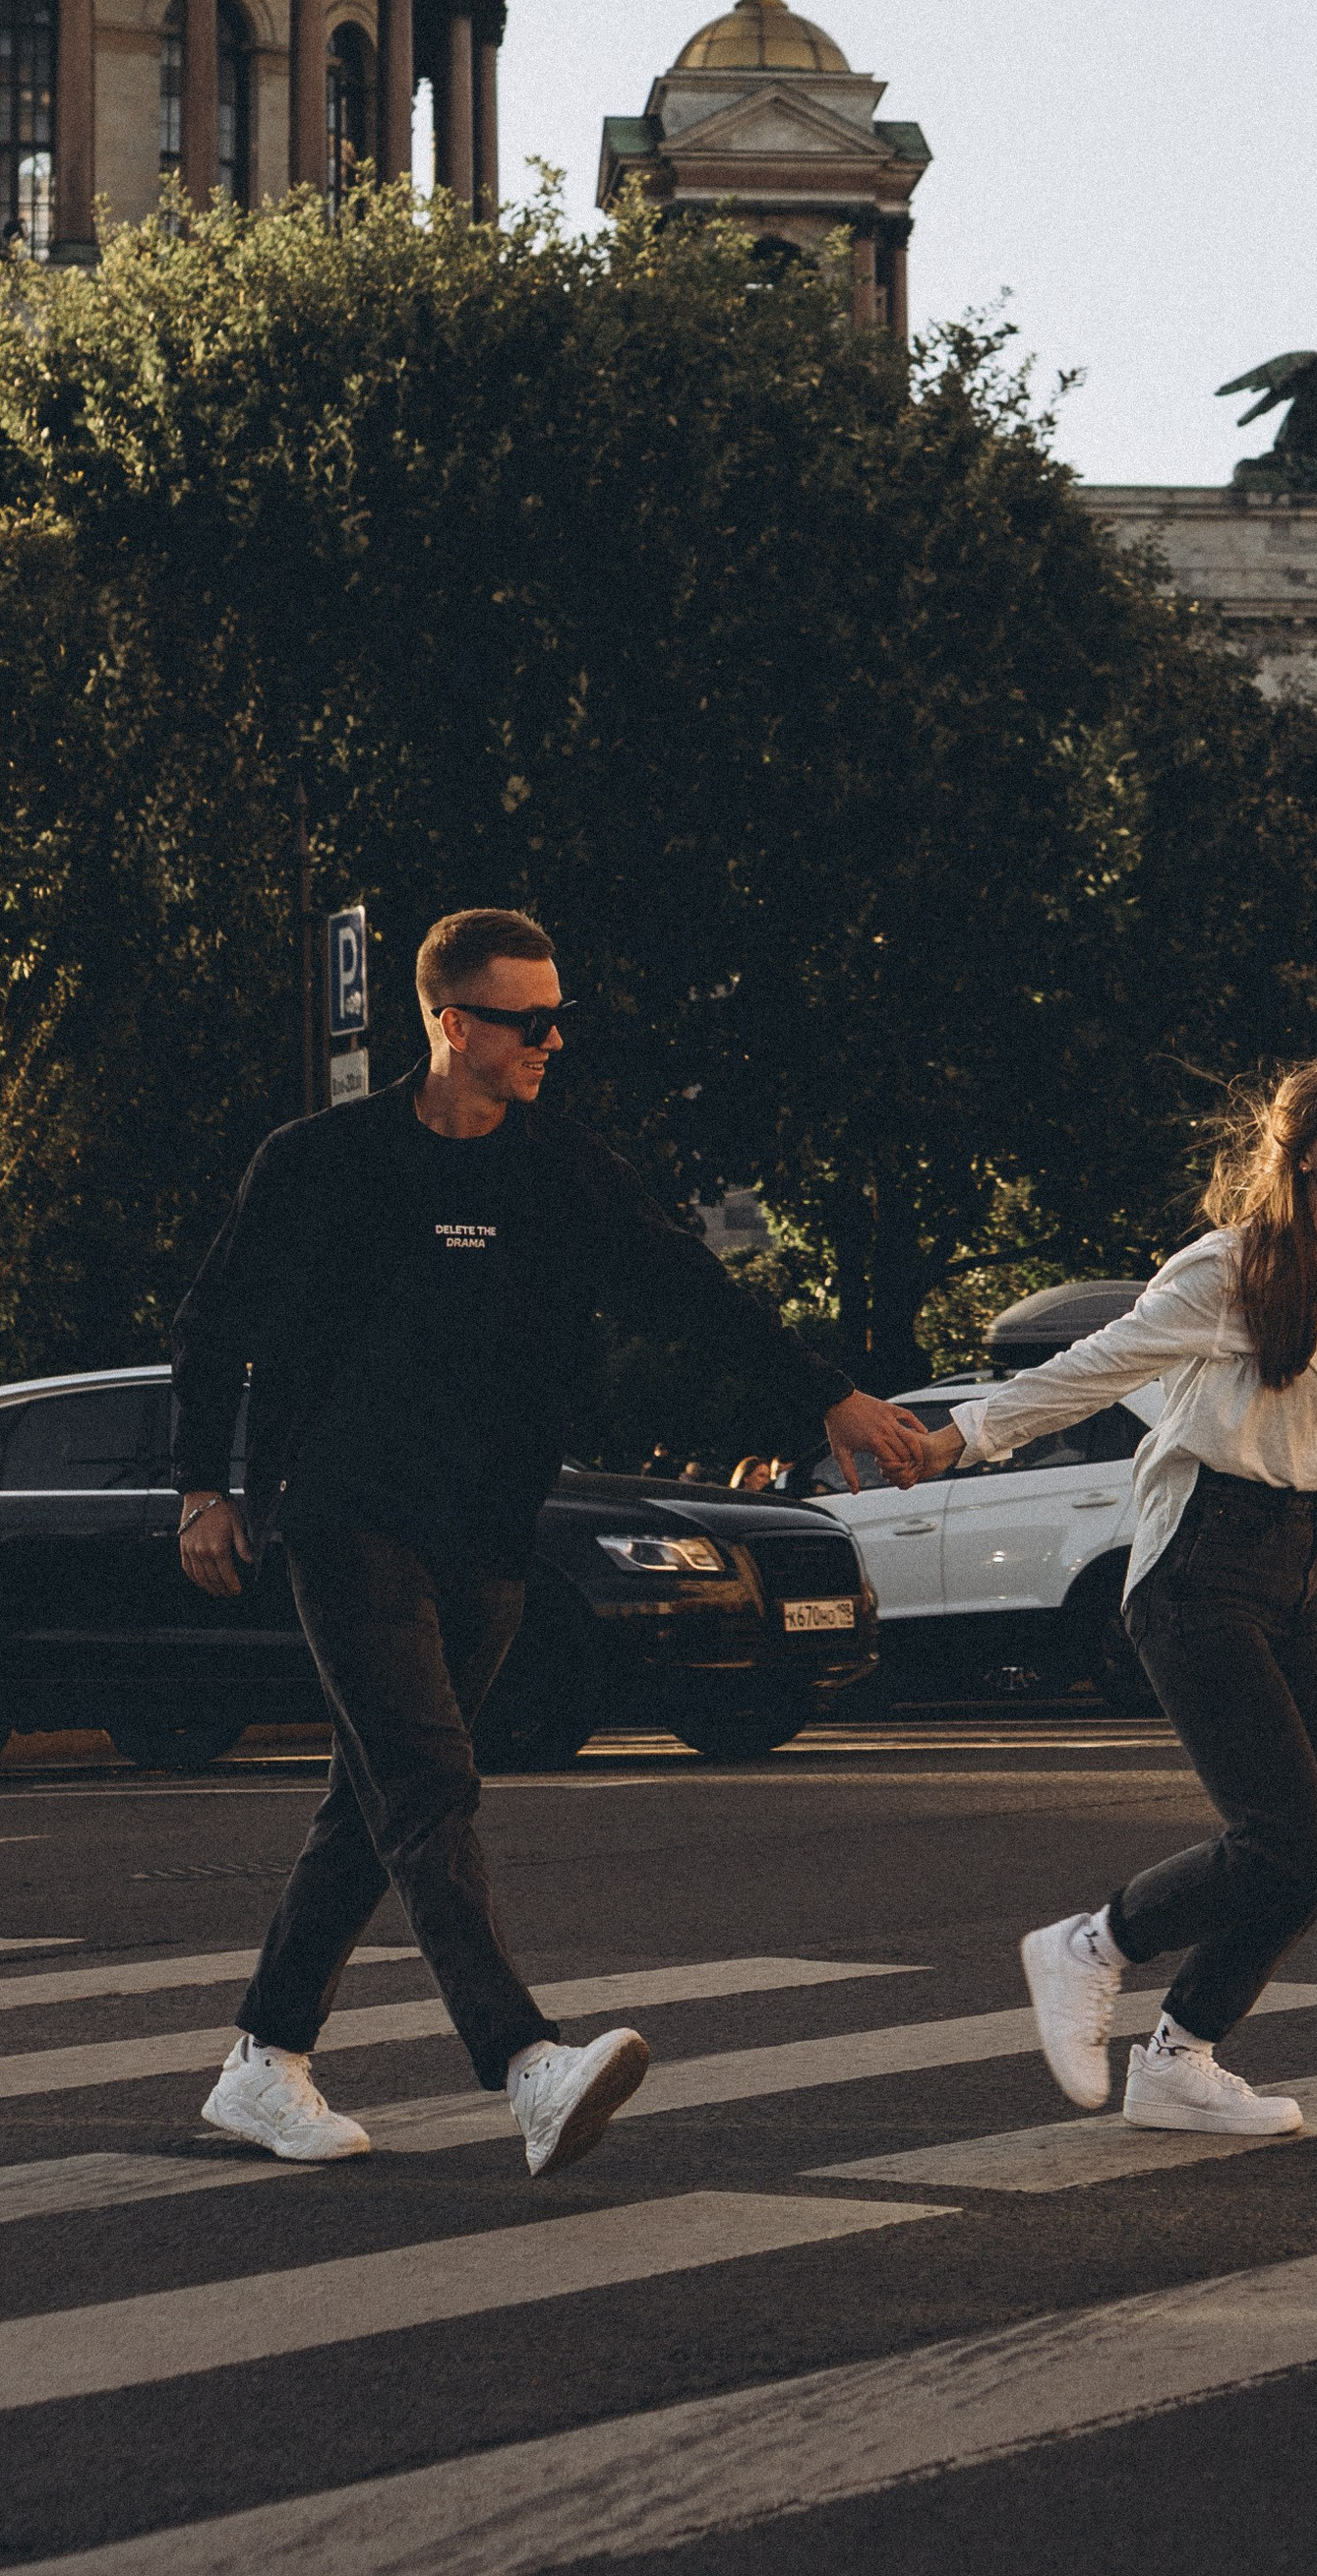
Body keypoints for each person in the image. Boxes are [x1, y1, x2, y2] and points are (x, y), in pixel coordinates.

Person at [170, 905, 928, 2175]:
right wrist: (204, 1488)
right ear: (449, 1024)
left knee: (377, 1799)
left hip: (487, 1529)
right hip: (347, 1516)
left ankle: (263, 2060)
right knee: (428, 1783)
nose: (552, 1041)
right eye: (527, 1021)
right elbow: (213, 1323)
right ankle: (525, 2063)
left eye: (559, 1017)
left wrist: (828, 1396)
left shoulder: (564, 1170)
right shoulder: (319, 1162)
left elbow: (688, 1289)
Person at [909, 1056, 1317, 2139]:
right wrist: (961, 1436)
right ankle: (1089, 1946)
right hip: (1199, 1567)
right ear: (1306, 1150)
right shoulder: (1230, 1267)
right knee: (1282, 1838)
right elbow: (1097, 1365)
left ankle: (1177, 2060)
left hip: (1296, 1574)